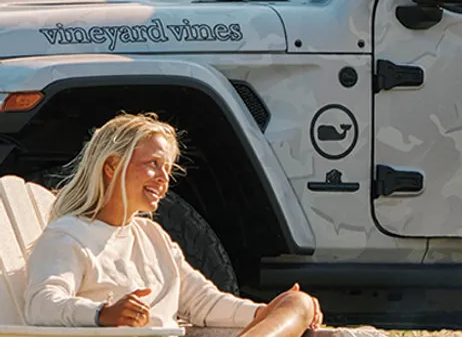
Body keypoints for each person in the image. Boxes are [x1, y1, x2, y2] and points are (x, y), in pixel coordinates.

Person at [25, 113, 323, 337]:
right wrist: (103, 314)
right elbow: (41, 304)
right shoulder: (67, 236)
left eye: (167, 168)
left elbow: (203, 303)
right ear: (112, 166)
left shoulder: (152, 235)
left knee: (298, 302)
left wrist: (265, 311)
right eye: (153, 163)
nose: (163, 178)